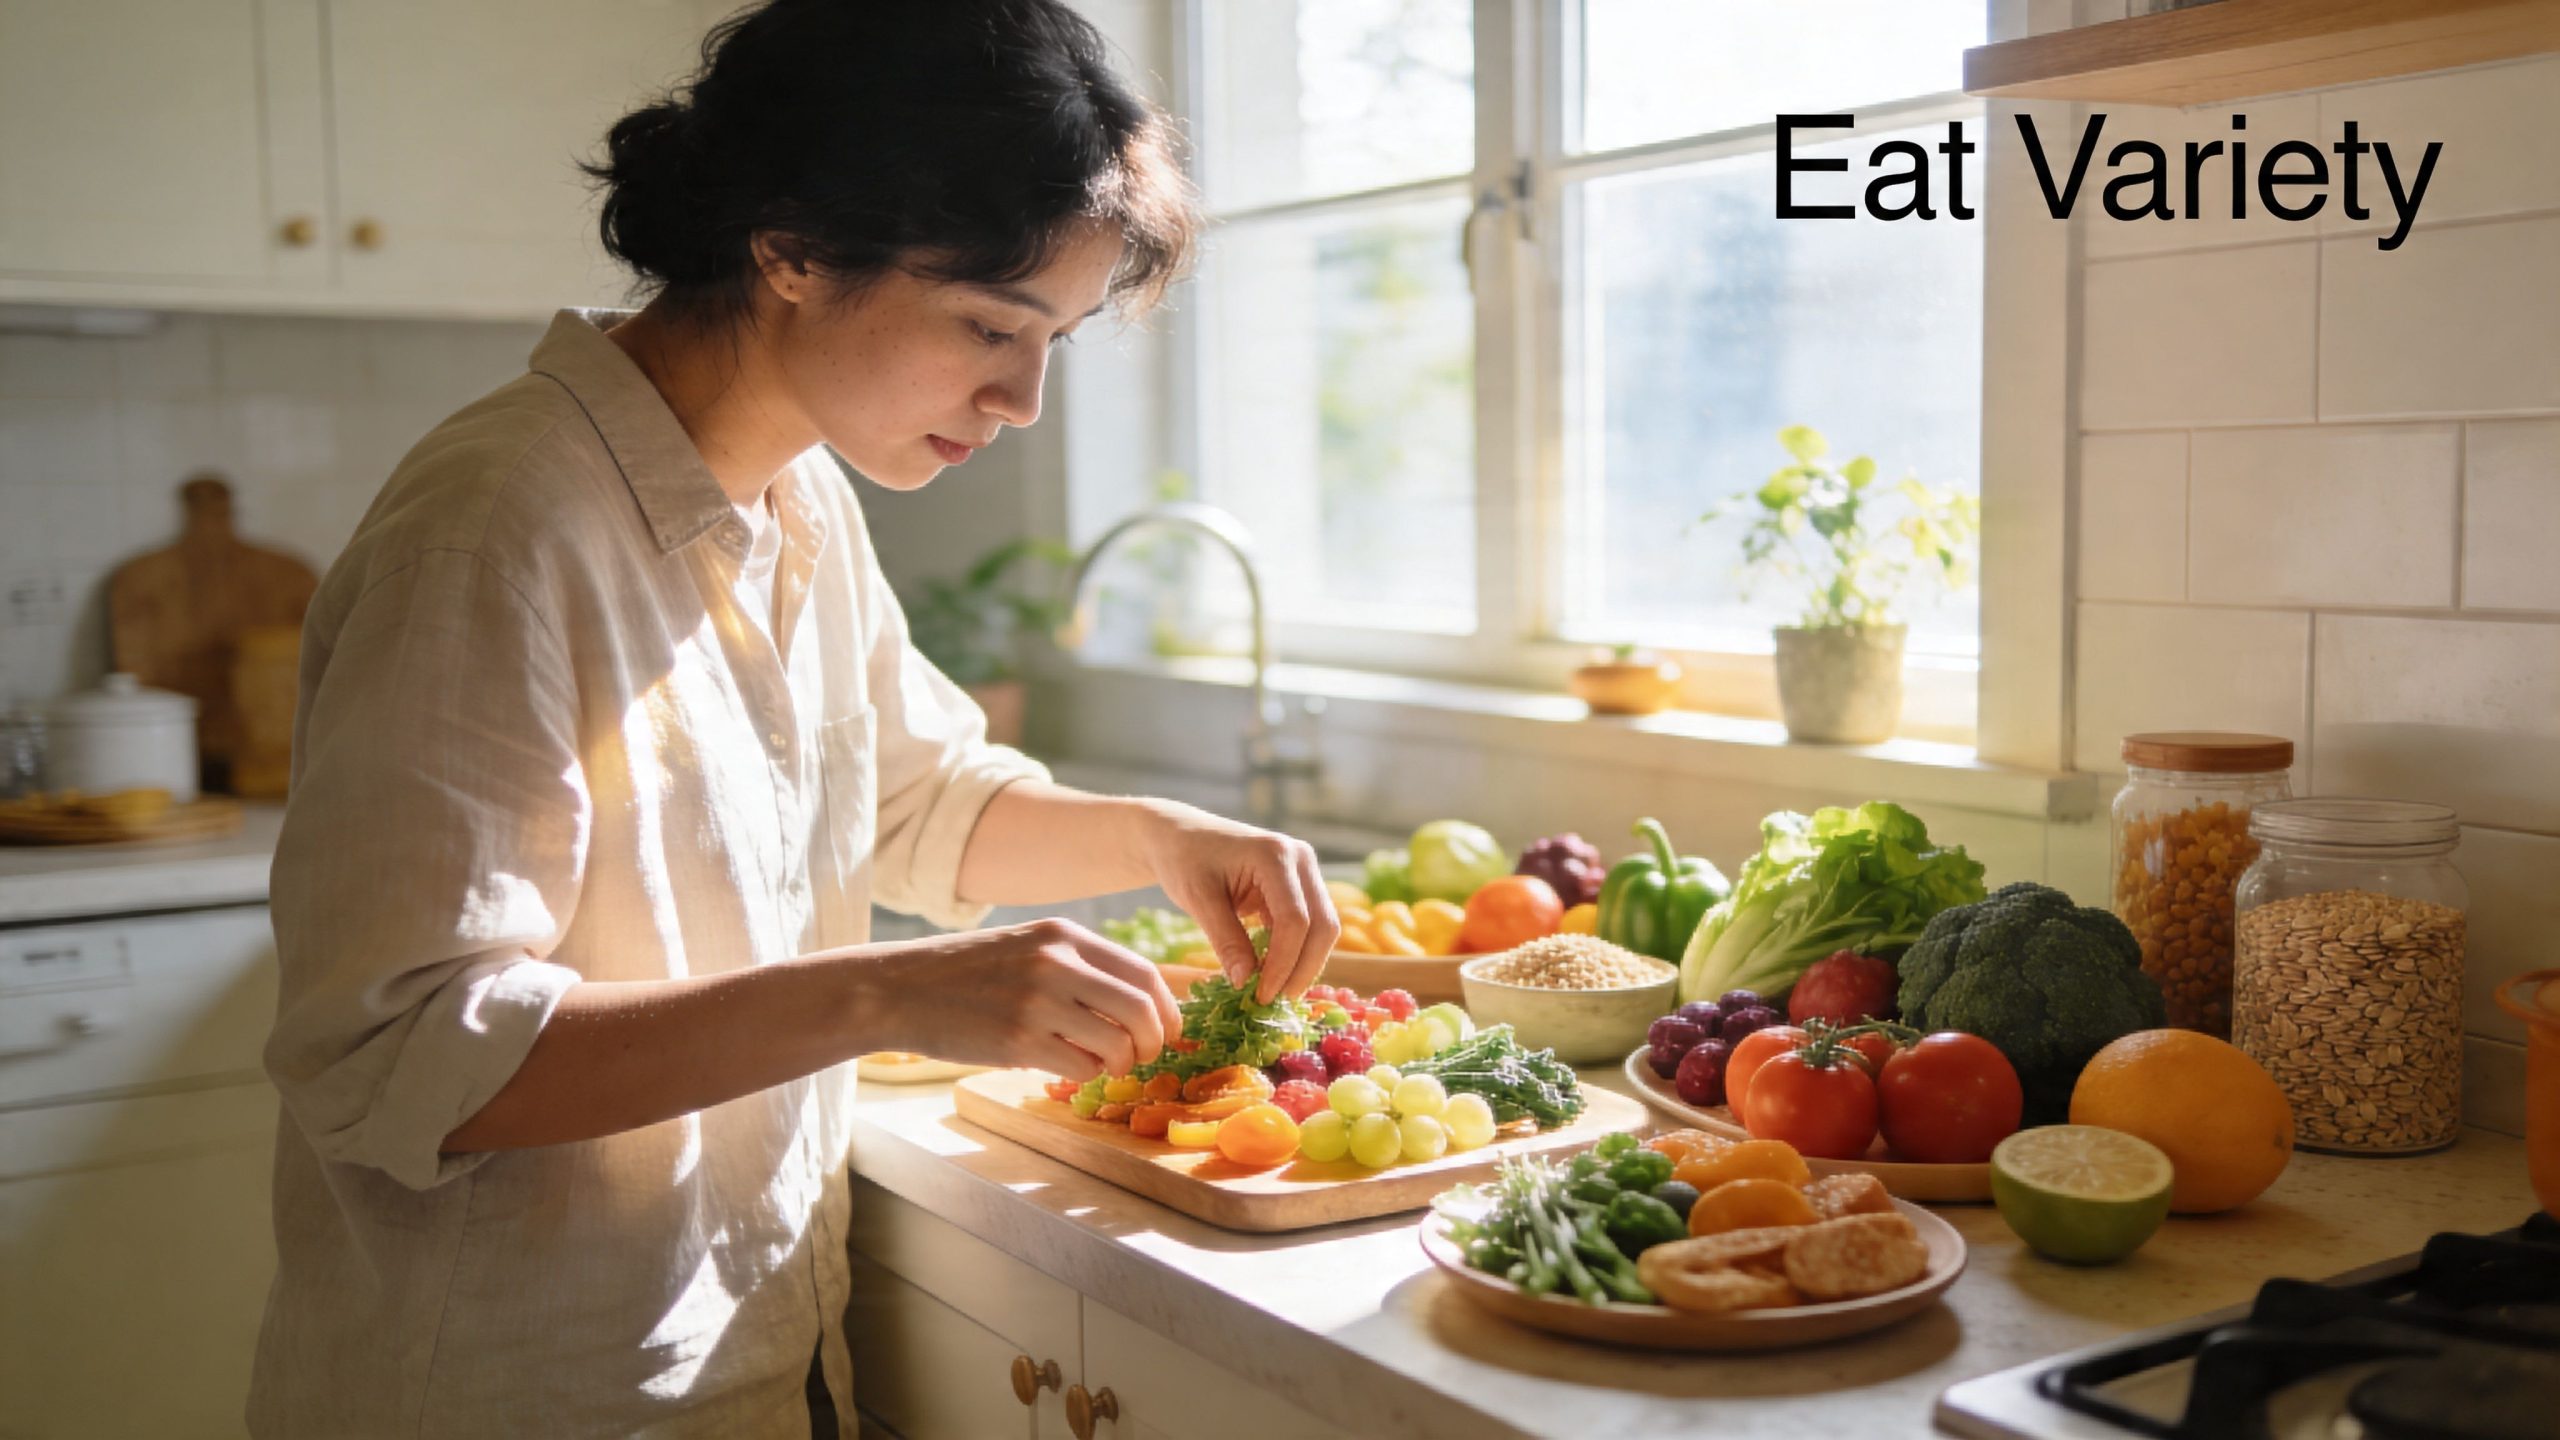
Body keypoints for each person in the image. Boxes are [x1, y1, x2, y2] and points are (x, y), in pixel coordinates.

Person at [246, 3, 1338, 1434]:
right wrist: (886, 994)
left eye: (1054, 338)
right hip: (522, 1392)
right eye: (991, 327)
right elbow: (398, 1053)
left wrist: (1159, 832)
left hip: (754, 1357)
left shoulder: (796, 491)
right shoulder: (500, 527)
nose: (1021, 400)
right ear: (794, 249)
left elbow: (912, 800)